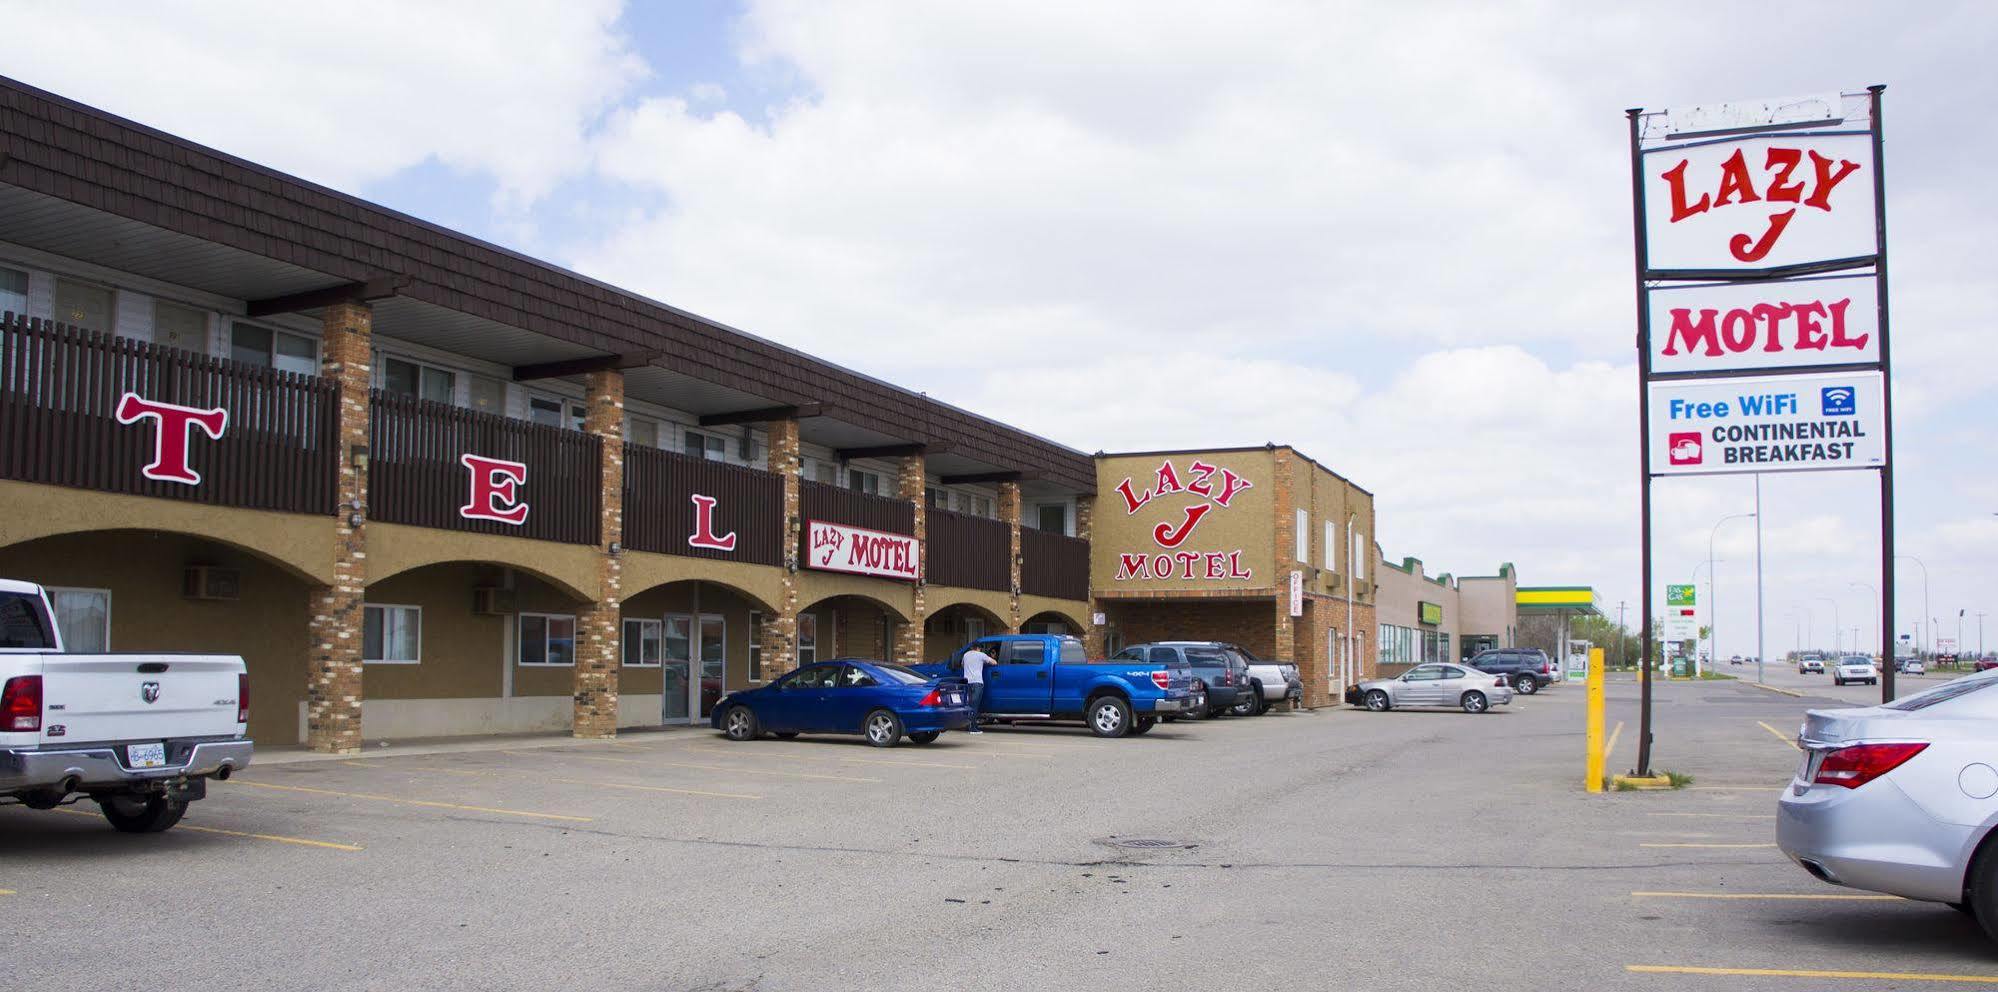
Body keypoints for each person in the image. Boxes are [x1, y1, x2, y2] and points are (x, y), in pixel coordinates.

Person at [960, 644, 996, 734]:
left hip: (967, 682)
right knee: (974, 706)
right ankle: (973, 728)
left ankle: (969, 725)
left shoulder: (966, 655)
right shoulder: (981, 655)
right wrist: (992, 657)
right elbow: (994, 663)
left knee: (970, 705)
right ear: (978, 648)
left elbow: (962, 665)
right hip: (977, 683)